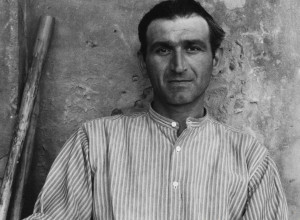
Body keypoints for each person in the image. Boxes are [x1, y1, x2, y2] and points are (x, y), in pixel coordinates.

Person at [24, 0, 288, 219]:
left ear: (215, 59)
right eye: (163, 49)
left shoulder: (250, 158)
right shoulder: (94, 141)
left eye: (193, 48)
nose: (179, 66)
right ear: (143, 61)